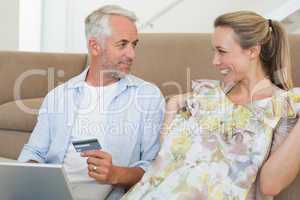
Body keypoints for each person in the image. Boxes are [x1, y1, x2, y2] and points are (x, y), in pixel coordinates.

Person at [121, 11, 300, 200]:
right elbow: (166, 160)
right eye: (213, 51)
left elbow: (270, 186)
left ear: (253, 51)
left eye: (222, 51)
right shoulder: (209, 95)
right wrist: (173, 107)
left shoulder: (283, 106)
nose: (215, 61)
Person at [18, 5, 165, 200]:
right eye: (122, 44)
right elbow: (34, 151)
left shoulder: (148, 96)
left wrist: (115, 174)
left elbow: (156, 167)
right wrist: (32, 175)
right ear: (95, 46)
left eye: (134, 44)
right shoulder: (59, 96)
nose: (132, 54)